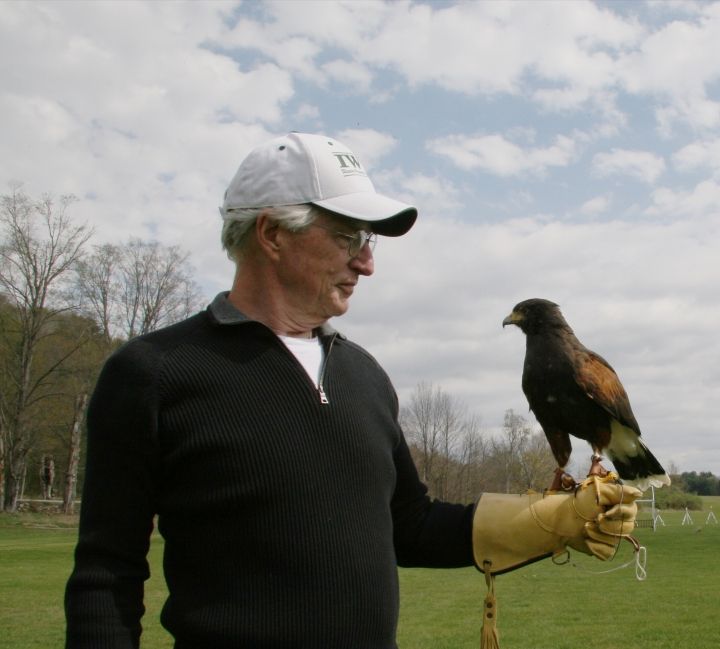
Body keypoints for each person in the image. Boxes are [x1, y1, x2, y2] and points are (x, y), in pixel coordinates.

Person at [65, 132, 640, 649]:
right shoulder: (155, 372)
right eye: (347, 237)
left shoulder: (363, 375)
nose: (366, 263)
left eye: (369, 240)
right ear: (271, 234)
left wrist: (554, 520)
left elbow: (407, 526)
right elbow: (105, 573)